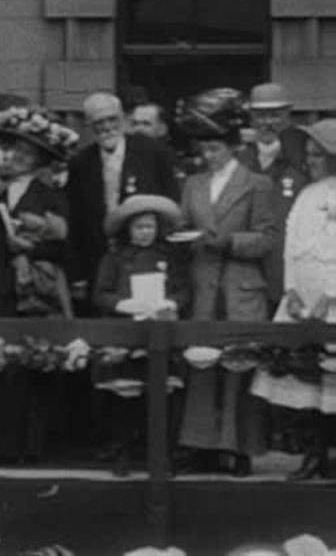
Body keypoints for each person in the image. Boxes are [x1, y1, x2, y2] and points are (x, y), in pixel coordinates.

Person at [0, 105, 74, 464]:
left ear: (39, 160)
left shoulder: (50, 195)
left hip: (29, 289)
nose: (18, 157)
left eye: (27, 152)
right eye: (14, 150)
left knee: (23, 363)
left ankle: (20, 446)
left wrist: (31, 246)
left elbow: (63, 246)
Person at [174, 88, 276, 476]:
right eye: (204, 149)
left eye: (215, 148)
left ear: (233, 147)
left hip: (240, 286)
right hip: (203, 284)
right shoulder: (193, 184)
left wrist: (229, 242)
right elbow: (183, 226)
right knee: (201, 365)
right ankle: (201, 446)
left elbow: (267, 239)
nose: (208, 155)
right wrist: (181, 236)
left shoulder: (256, 184)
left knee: (239, 366)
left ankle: (239, 449)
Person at [250, 118, 336, 480]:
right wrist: (291, 290)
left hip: (331, 298)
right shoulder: (306, 194)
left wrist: (331, 295)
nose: (311, 160)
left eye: (318, 154)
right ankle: (314, 454)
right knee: (305, 380)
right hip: (302, 296)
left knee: (332, 381)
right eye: (309, 154)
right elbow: (290, 245)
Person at [92, 195, 189, 476]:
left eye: (150, 227)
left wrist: (171, 303)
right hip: (127, 333)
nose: (145, 232)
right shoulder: (115, 258)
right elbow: (100, 293)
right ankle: (123, 454)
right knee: (126, 399)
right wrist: (123, 304)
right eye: (139, 227)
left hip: (160, 332)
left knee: (163, 398)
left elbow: (184, 290)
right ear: (128, 229)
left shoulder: (169, 257)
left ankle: (162, 458)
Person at [66, 92, 180, 315]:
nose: (107, 127)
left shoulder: (153, 152)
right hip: (99, 260)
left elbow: (171, 203)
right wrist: (76, 274)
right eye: (99, 122)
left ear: (124, 119)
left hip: (148, 259)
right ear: (88, 125)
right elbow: (75, 222)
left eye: (112, 119)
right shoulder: (81, 163)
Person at [239, 83, 309, 310]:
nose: (267, 122)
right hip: (247, 268)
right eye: (260, 115)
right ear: (251, 117)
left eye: (275, 115)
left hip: (293, 265)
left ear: (288, 114)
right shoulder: (239, 160)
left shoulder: (305, 157)